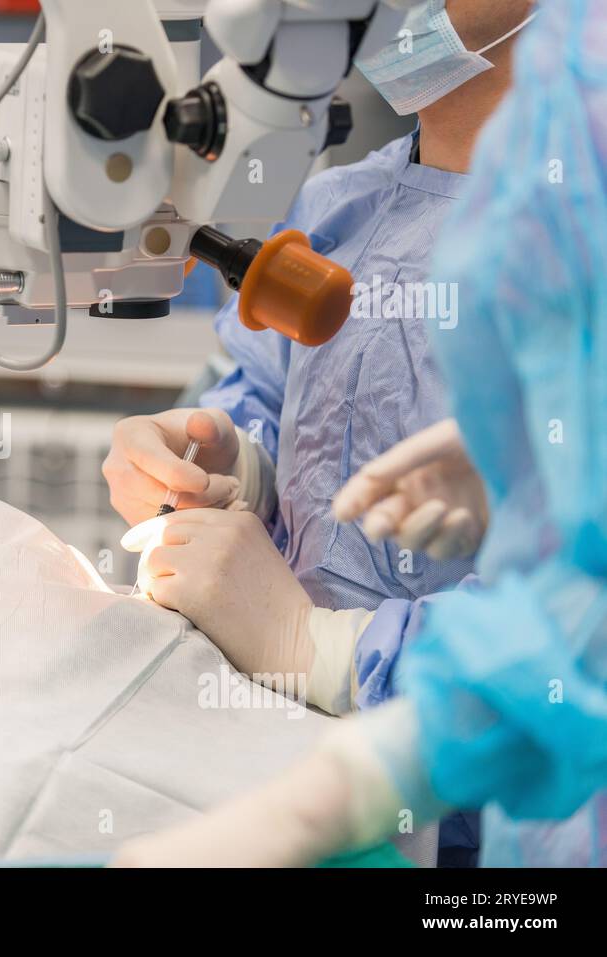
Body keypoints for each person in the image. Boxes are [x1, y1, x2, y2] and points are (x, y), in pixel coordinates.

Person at [115, 0, 607, 867]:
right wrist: (236, 461)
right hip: (304, 766)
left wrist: (331, 653)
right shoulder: (344, 206)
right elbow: (266, 389)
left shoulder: (579, 231)